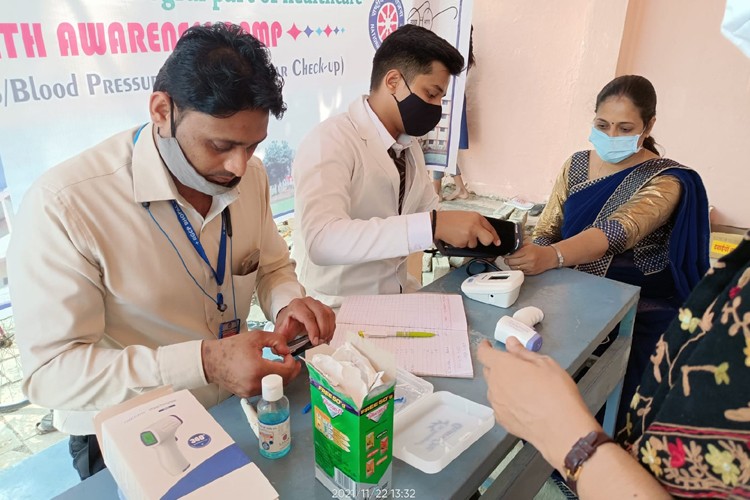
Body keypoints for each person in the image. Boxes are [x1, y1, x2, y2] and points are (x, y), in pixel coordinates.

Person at [7, 24, 335, 479]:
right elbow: (51, 372)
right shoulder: (67, 204)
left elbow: (271, 265)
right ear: (162, 110)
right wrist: (204, 362)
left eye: (252, 145)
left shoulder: (251, 177)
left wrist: (287, 302)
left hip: (235, 408)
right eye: (220, 146)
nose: (239, 166)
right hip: (132, 430)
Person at [479, 228, 750, 499]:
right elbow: (550, 224)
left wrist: (561, 431)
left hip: (619, 291)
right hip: (654, 451)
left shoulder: (665, 184)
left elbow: (622, 228)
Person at [504, 75, 710, 420]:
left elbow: (616, 232)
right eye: (602, 124)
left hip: (636, 296)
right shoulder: (577, 164)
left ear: (649, 125)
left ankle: (603, 446)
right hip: (565, 281)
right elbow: (549, 227)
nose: (611, 136)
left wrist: (551, 257)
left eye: (624, 127)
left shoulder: (666, 180)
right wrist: (534, 258)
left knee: (637, 368)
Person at [291, 24, 500, 308]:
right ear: (393, 81)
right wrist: (433, 226)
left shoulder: (407, 144)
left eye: (440, 98)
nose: (436, 108)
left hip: (396, 300)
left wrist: (487, 238)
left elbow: (427, 213)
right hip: (334, 310)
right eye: (430, 94)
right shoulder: (330, 141)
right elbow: (322, 240)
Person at [432, 26, 474, 201]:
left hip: (449, 100)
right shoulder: (464, 53)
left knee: (439, 146)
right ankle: (452, 189)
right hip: (451, 99)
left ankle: (439, 192)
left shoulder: (455, 54)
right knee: (441, 147)